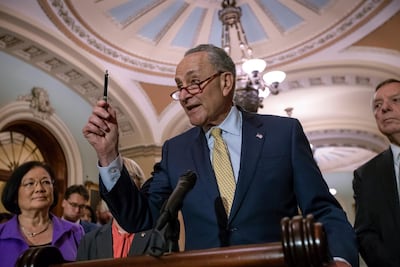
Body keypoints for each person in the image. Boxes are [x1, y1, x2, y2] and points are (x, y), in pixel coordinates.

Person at [82, 44, 358, 267]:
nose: (185, 95)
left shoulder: (282, 134)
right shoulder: (175, 150)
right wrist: (108, 155)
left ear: (226, 82)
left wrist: (340, 259)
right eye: (179, 86)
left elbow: (323, 210)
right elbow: (138, 218)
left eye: (194, 82)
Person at [353, 78, 400, 267]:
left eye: (396, 100)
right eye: (377, 105)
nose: (384, 108)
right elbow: (365, 234)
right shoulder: (365, 175)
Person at [0, 161, 84, 266]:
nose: (39, 189)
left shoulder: (74, 232)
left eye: (46, 182)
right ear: (14, 193)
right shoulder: (1, 233)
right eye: (30, 183)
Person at [76, 159, 152, 260]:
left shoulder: (157, 236)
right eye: (113, 178)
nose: (119, 185)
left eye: (128, 176)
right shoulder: (89, 241)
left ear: (140, 185)